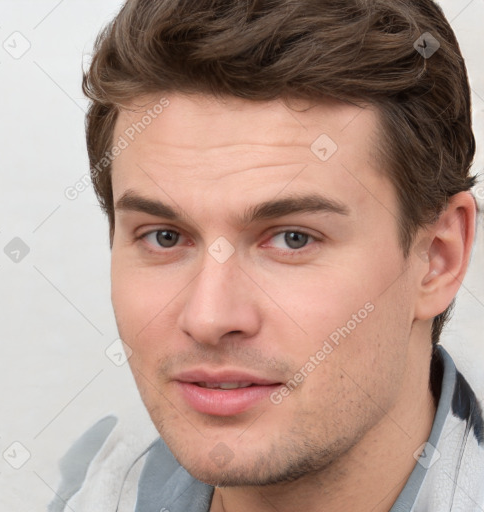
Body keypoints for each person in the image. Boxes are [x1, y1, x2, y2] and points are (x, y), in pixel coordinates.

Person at [48, 0, 484, 510]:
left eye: (292, 238)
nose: (209, 318)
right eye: (164, 236)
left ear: (437, 257)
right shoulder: (94, 492)